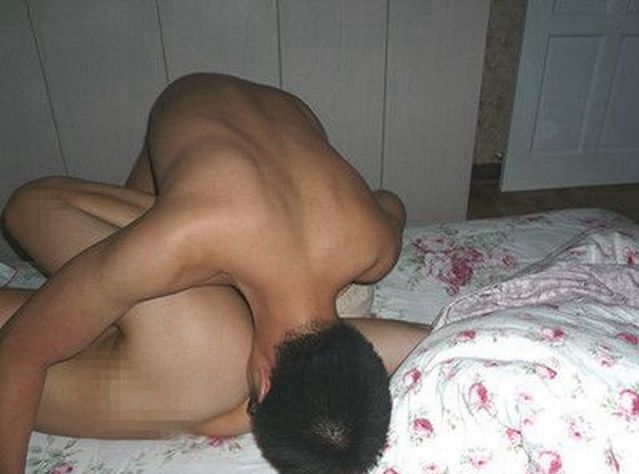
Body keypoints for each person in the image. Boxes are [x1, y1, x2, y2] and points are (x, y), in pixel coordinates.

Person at [0, 73, 428, 474]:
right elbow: (20, 352)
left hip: (262, 108)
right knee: (95, 312)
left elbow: (391, 202)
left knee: (123, 307)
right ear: (260, 386)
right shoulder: (181, 246)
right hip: (44, 204)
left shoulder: (374, 249)